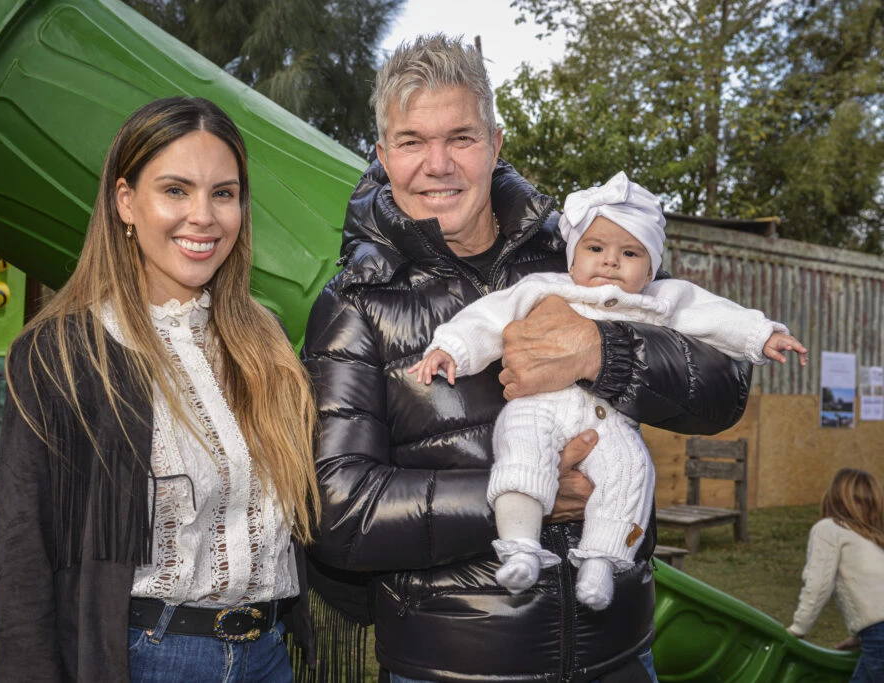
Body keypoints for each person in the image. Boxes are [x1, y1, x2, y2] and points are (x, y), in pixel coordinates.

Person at [303, 34, 752, 682]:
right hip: (455, 667)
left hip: (619, 655)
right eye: (411, 141)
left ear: (495, 143)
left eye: (461, 137)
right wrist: (524, 497)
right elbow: (337, 509)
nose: (437, 164)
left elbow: (726, 382)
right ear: (383, 154)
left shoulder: (580, 252)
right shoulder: (356, 302)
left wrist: (603, 352)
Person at [0, 96, 320, 682]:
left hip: (269, 656)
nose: (203, 216)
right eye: (175, 190)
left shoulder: (262, 341)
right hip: (148, 659)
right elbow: (22, 561)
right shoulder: (63, 354)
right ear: (126, 201)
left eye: (224, 193)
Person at [410, 171, 807, 610]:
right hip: (539, 407)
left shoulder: (663, 299)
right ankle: (519, 545)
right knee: (521, 452)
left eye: (630, 252)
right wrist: (451, 348)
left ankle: (600, 563)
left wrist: (762, 335)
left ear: (651, 268)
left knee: (631, 471)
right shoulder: (545, 288)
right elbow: (487, 317)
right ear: (572, 260)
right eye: (595, 248)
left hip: (610, 422)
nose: (610, 262)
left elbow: (716, 316)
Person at [787, 468, 884, 682]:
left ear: (833, 496)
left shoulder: (829, 529)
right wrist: (861, 635)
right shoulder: (872, 539)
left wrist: (798, 628)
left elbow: (818, 585)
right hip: (875, 633)